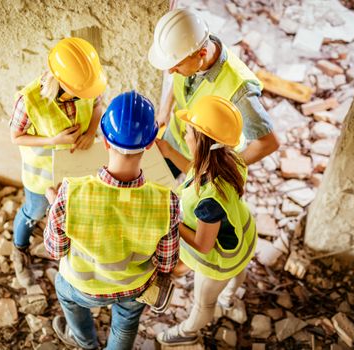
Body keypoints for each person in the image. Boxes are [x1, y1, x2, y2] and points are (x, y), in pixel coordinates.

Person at [43, 91, 180, 350]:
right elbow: (166, 263)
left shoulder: (70, 193)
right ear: (150, 143)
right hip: (133, 288)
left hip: (81, 286)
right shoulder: (168, 202)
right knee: (126, 324)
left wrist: (55, 207)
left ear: (105, 141)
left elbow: (55, 250)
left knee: (65, 293)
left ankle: (84, 342)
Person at [156, 96, 257, 346]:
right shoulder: (229, 160)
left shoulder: (209, 200)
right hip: (243, 240)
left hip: (221, 259)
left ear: (199, 140)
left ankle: (187, 332)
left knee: (204, 302)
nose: (185, 135)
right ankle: (230, 297)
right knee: (238, 273)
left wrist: (170, 219)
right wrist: (168, 151)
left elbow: (203, 245)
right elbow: (196, 168)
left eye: (188, 131)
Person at [9, 37, 106, 288]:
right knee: (34, 212)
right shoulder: (29, 100)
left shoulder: (87, 83)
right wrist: (53, 139)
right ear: (62, 82)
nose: (87, 93)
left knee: (70, 209)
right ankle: (19, 251)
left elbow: (98, 105)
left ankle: (62, 250)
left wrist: (90, 133)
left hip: (77, 169)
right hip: (42, 176)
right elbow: (15, 136)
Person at [148, 8, 279, 177]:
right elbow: (180, 81)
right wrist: (164, 111)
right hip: (174, 141)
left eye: (177, 65)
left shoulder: (240, 90)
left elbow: (268, 143)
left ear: (202, 54)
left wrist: (223, 170)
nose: (171, 71)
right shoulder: (193, 50)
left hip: (200, 161)